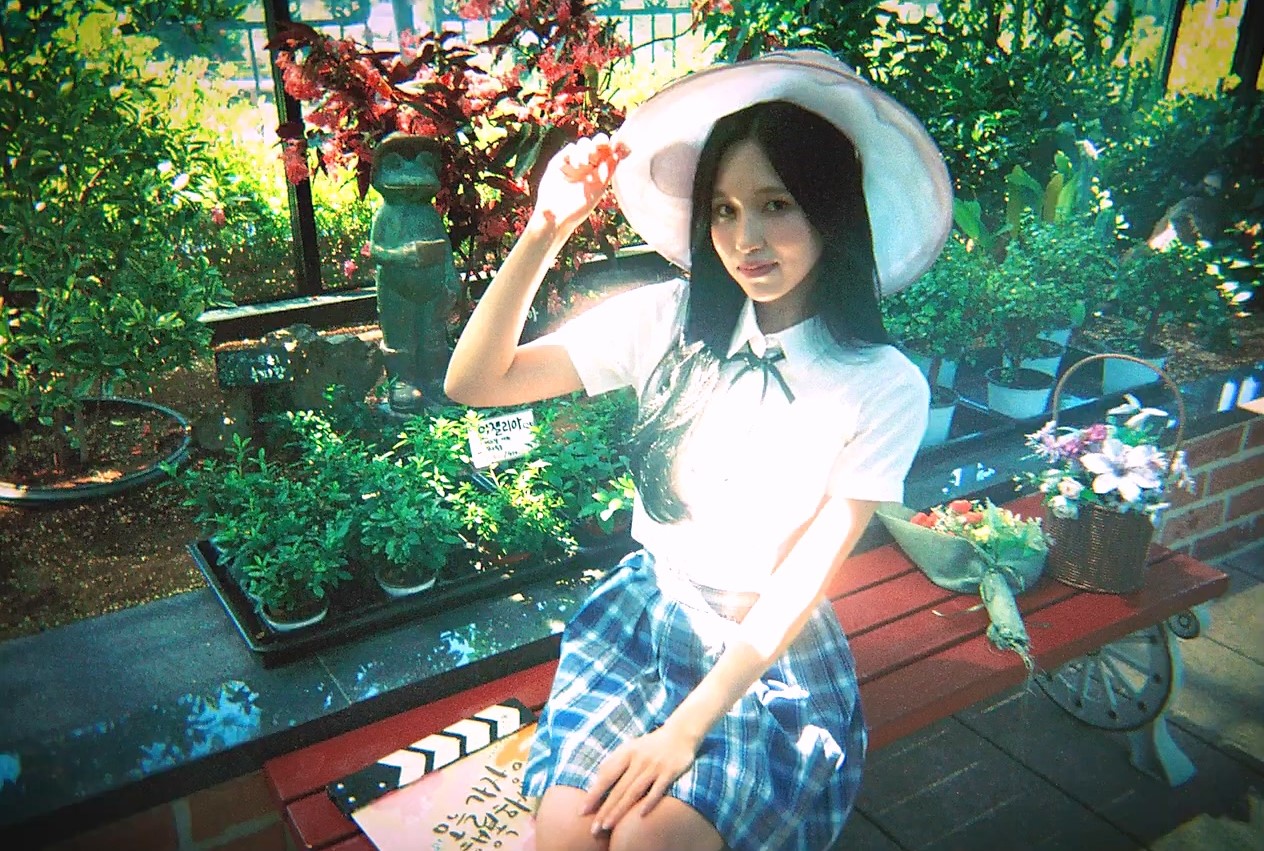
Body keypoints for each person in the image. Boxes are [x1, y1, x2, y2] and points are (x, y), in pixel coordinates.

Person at [445, 50, 952, 851]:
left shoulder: (883, 384)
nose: (745, 239)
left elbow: (805, 576)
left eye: (775, 204)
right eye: (723, 210)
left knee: (649, 840)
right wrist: (546, 228)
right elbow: (476, 381)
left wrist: (685, 729)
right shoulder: (670, 319)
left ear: (829, 210)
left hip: (762, 654)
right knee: (568, 835)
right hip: (643, 614)